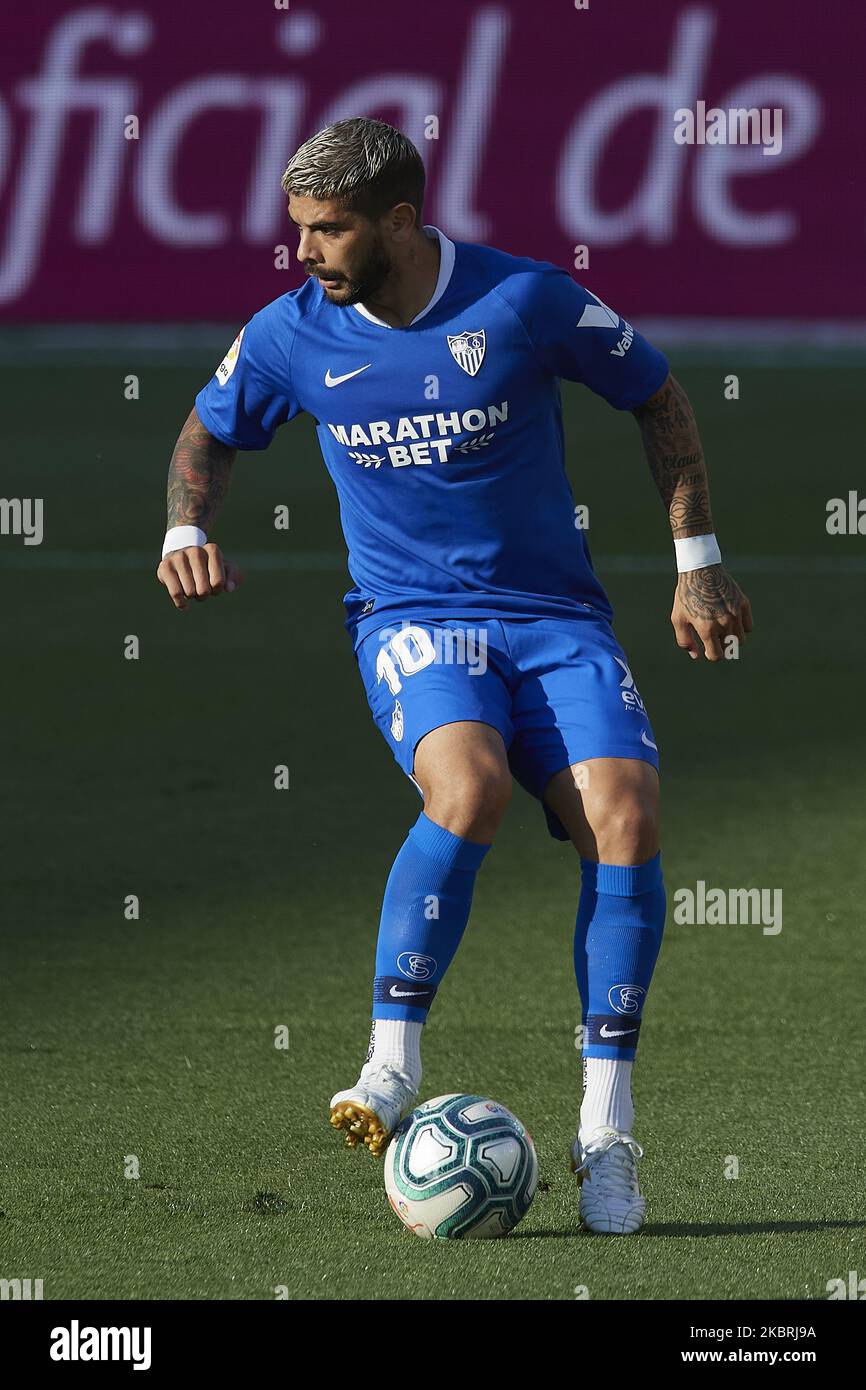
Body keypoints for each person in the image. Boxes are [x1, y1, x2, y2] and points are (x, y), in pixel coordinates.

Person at [156, 117, 753, 1235]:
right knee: (466, 788)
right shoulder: (291, 334)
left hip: (552, 617)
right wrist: (184, 525)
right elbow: (205, 429)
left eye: (328, 231)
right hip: (412, 619)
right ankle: (388, 1065)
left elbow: (656, 397)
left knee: (623, 818)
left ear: (398, 221)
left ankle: (605, 1138)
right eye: (297, 231)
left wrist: (698, 566)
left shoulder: (521, 303)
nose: (305, 253)